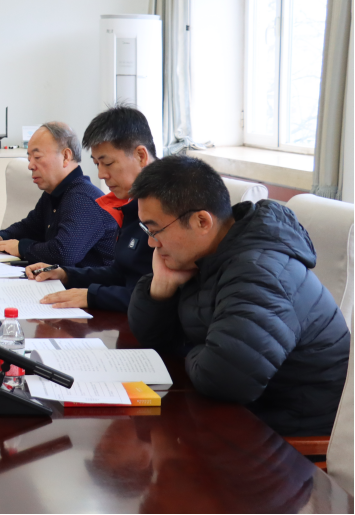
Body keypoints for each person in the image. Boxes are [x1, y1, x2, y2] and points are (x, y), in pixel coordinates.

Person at [127, 155, 350, 436]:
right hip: (245, 416)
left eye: (155, 230)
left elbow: (226, 379)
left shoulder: (259, 272)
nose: (151, 242)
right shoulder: (210, 255)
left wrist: (192, 350)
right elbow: (154, 338)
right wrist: (161, 287)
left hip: (291, 438)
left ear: (201, 221)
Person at [26, 106, 155, 311]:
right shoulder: (132, 203)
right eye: (96, 164)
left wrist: (92, 295)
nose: (101, 174)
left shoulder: (169, 207)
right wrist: (66, 274)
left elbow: (158, 298)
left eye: (108, 163)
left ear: (140, 156)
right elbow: (120, 273)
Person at [0, 122, 117, 268]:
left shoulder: (84, 198)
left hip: (90, 282)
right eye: (29, 158)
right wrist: (1, 237)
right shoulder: (55, 193)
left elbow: (63, 253)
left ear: (65, 156)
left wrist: (21, 247)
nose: (30, 165)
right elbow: (29, 227)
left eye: (37, 157)